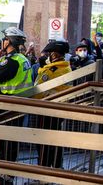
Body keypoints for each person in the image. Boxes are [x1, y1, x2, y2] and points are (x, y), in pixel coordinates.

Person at [0, 27, 33, 185]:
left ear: (11, 41)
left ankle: (1, 179)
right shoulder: (22, 59)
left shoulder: (10, 62)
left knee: (2, 146)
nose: (3, 41)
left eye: (5, 38)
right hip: (17, 107)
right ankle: (8, 178)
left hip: (6, 108)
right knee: (11, 144)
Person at [33, 40, 71, 169]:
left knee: (43, 142)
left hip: (46, 109)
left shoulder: (51, 70)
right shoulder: (66, 68)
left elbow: (37, 90)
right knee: (55, 140)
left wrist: (42, 69)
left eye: (49, 53)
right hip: (59, 109)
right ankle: (56, 168)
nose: (47, 56)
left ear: (54, 55)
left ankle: (43, 172)